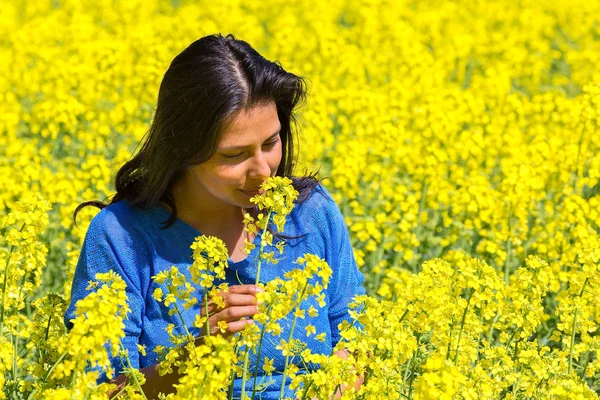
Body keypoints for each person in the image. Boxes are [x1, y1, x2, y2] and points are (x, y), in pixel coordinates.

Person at [64, 33, 365, 399]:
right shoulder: (122, 236)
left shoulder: (311, 213)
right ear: (184, 150)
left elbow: (356, 335)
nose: (263, 172)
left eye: (270, 143)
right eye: (234, 155)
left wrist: (341, 385)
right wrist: (198, 352)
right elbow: (100, 391)